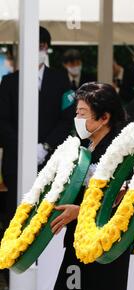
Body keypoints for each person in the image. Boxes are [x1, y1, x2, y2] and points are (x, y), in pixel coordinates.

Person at [51, 83, 130, 290]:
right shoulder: (86, 148)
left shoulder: (121, 152)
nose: (77, 119)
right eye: (77, 112)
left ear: (104, 117)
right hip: (77, 243)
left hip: (105, 246)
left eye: (82, 113)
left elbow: (122, 199)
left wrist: (80, 211)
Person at [0, 26, 74, 231]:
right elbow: (2, 122)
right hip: (15, 162)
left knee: (47, 216)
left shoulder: (60, 79)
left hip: (50, 159)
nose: (38, 50)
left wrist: (45, 146)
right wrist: (25, 149)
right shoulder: (8, 82)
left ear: (47, 48)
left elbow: (67, 118)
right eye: (34, 46)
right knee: (16, 217)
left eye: (42, 46)